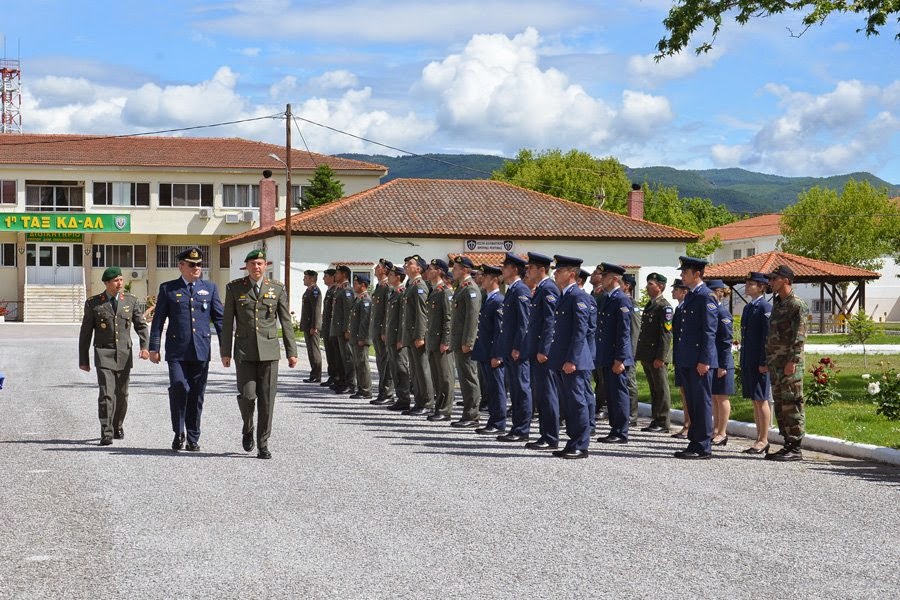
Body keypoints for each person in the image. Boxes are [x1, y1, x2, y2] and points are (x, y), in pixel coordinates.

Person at [221, 249, 298, 459]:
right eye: (253, 263)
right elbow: (228, 323)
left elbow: (286, 322)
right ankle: (248, 427)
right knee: (247, 397)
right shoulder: (235, 288)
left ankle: (263, 443)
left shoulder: (277, 289)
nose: (257, 267)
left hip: (269, 352)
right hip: (244, 352)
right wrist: (225, 352)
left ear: (266, 266)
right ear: (246, 266)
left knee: (267, 400)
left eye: (260, 263)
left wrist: (292, 351)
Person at [149, 246, 224, 452]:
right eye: (192, 265)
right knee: (179, 388)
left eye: (199, 264)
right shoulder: (168, 289)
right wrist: (153, 347)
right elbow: (158, 320)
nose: (196, 268)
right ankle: (178, 431)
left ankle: (192, 437)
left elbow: (219, 319)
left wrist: (227, 348)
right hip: (177, 351)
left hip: (201, 349)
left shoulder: (209, 288)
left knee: (197, 394)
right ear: (181, 266)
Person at [78, 266, 150, 445]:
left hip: (124, 354)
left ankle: (118, 425)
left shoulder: (130, 301)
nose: (120, 283)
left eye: (121, 280)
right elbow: (86, 333)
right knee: (106, 394)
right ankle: (106, 431)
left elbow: (141, 325)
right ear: (107, 283)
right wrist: (83, 360)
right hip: (104, 353)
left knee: (122, 394)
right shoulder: (94, 303)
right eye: (116, 281)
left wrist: (145, 346)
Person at [547, 255, 594, 459]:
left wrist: (572, 360)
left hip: (573, 360)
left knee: (577, 402)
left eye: (560, 270)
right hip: (564, 358)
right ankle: (572, 441)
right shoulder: (565, 295)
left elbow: (580, 331)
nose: (555, 273)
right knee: (569, 402)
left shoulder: (578, 297)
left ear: (572, 274)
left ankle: (580, 444)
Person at [672, 255, 718, 460]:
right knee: (692, 402)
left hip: (699, 360)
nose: (682, 275)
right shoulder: (691, 295)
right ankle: (694, 441)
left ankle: (703, 446)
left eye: (685, 272)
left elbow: (709, 331)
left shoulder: (706, 296)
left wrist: (705, 360)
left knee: (701, 402)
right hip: (688, 358)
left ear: (697, 274)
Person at [765, 265, 809, 462]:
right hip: (776, 363)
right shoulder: (778, 303)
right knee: (781, 404)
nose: (771, 282)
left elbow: (799, 337)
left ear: (786, 280)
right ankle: (787, 443)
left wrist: (793, 361)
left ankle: (795, 446)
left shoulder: (796, 304)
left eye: (774, 279)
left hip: (790, 364)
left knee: (792, 403)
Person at [522, 252, 561, 450]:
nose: (528, 271)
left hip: (544, 351)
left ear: (541, 270)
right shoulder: (541, 289)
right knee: (541, 394)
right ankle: (545, 434)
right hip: (536, 348)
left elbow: (551, 322)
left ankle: (551, 436)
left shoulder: (548, 289)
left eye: (531, 268)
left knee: (547, 394)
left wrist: (545, 348)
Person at [594, 263, 634, 444]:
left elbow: (624, 333)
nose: (601, 279)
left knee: (619, 394)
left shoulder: (621, 300)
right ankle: (614, 428)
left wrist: (620, 359)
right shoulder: (607, 298)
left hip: (616, 357)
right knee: (611, 393)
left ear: (615, 279)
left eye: (605, 276)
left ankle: (621, 431)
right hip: (606, 355)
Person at [497, 253, 532, 442]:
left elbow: (524, 324)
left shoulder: (521, 291)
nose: (502, 269)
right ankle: (516, 427)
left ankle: (522, 429)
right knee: (516, 390)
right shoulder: (512, 289)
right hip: (510, 347)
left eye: (506, 266)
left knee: (521, 389)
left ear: (515, 269)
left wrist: (518, 347)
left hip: (518, 350)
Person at [636, 273, 673, 433]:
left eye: (650, 284)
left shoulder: (664, 306)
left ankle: (663, 421)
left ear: (660, 286)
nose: (647, 287)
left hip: (657, 356)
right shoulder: (651, 305)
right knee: (654, 389)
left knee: (661, 389)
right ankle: (656, 418)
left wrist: (661, 357)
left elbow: (666, 334)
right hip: (648, 354)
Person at [740, 271, 773, 455]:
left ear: (761, 287)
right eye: (747, 283)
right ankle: (758, 437)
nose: (747, 286)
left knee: (761, 399)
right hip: (749, 359)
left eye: (751, 283)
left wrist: (764, 360)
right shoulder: (749, 308)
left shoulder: (764, 308)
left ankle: (763, 439)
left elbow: (766, 338)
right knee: (755, 400)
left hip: (759, 361)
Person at [472, 265, 506, 434]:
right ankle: (493, 420)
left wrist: (498, 355)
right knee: (490, 388)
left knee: (496, 388)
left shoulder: (498, 300)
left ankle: (498, 422)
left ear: (494, 280)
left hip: (493, 353)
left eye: (485, 277)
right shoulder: (489, 298)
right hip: (485, 351)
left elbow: (500, 331)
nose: (481, 279)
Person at [449, 256, 482, 428]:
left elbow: (472, 318)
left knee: (469, 377)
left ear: (465, 270)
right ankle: (467, 413)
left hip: (465, 342)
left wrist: (468, 341)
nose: (453, 271)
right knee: (463, 377)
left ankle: (472, 415)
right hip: (458, 340)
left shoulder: (471, 289)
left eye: (456, 268)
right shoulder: (461, 288)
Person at [401, 255, 433, 415]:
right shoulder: (411, 285)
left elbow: (422, 314)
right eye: (406, 263)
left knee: (422, 369)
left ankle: (426, 403)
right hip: (411, 334)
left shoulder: (420, 286)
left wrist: (420, 335)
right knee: (415, 370)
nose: (406, 265)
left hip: (417, 335)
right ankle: (419, 401)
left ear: (419, 268)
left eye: (410, 264)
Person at [424, 259, 454, 421]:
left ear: (440, 272)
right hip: (433, 340)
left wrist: (446, 340)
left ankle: (445, 409)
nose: (428, 271)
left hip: (441, 341)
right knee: (436, 375)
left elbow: (449, 319)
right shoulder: (434, 290)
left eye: (431, 268)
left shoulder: (445, 292)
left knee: (445, 377)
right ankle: (439, 406)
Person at [707, 279, 735, 446]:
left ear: (718, 293)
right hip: (713, 360)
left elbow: (726, 341)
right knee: (714, 397)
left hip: (722, 361)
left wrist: (723, 365)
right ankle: (715, 429)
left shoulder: (722, 313)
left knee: (722, 398)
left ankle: (722, 432)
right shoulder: (713, 311)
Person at [383, 263, 414, 411]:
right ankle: (400, 397)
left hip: (398, 338)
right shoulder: (394, 292)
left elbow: (403, 318)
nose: (388, 277)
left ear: (398, 277)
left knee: (401, 369)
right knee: (395, 368)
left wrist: (402, 338)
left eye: (390, 275)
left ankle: (405, 398)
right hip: (392, 337)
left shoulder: (402, 292)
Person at [370, 259, 394, 403]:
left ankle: (387, 392)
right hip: (377, 330)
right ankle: (382, 391)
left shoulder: (387, 287)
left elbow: (387, 312)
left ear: (384, 270)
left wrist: (385, 330)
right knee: (380, 361)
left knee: (385, 362)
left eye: (378, 267)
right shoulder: (379, 287)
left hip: (383, 331)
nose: (375, 268)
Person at [670, 278, 691, 439]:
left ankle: (690, 424)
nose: (672, 292)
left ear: (684, 291)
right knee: (684, 392)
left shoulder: (687, 308)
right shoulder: (680, 308)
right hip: (681, 356)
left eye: (676, 289)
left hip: (687, 357)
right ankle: (687, 423)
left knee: (689, 393)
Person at [331, 265, 356, 395]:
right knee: (340, 357)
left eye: (338, 273)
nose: (335, 275)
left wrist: (348, 329)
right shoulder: (339, 289)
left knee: (347, 357)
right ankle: (342, 381)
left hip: (343, 329)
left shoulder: (347, 291)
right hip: (337, 328)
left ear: (344, 275)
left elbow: (348, 312)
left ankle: (351, 383)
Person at [349, 274, 373, 400]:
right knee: (358, 363)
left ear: (363, 285)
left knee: (363, 363)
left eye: (356, 283)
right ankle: (361, 388)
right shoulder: (359, 299)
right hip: (356, 337)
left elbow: (365, 321)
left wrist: (362, 338)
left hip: (361, 338)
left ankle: (366, 390)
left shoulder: (365, 300)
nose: (354, 285)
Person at [622, 273, 641, 427]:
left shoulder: (631, 304)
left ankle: (632, 415)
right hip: (620, 350)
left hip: (628, 351)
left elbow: (634, 330)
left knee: (630, 383)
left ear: (627, 286)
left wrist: (632, 353)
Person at [299, 269, 323, 383]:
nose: (304, 279)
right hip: (308, 325)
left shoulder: (315, 291)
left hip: (312, 326)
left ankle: (317, 374)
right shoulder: (308, 290)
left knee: (314, 351)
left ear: (312, 279)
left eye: (306, 277)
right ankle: (313, 374)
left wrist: (315, 326)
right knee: (310, 351)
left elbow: (316, 310)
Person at [320, 268, 340, 388]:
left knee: (334, 354)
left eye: (326, 276)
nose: (324, 278)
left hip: (332, 327)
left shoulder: (334, 291)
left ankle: (336, 376)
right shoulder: (330, 291)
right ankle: (332, 375)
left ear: (333, 277)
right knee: (329, 353)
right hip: (328, 326)